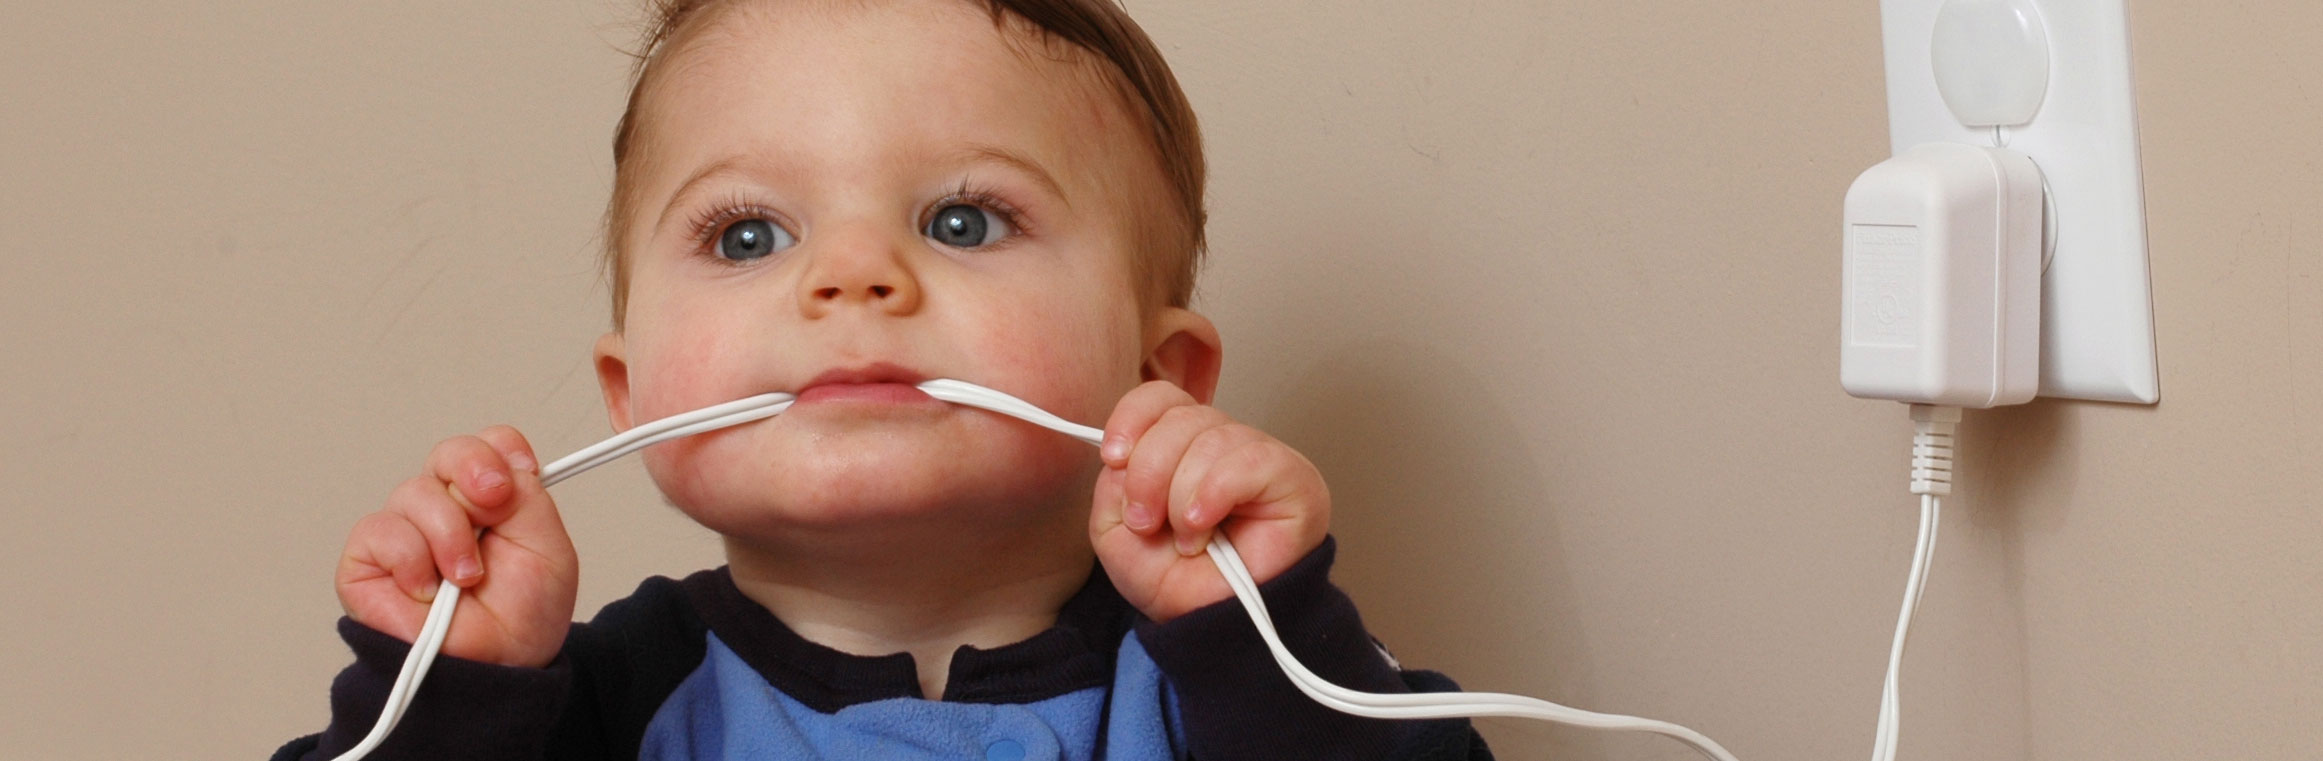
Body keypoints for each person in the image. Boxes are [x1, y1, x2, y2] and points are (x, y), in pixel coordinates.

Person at [275, 1, 1489, 758]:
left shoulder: (1227, 678)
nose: (852, 277)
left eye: (962, 219)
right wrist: (447, 689)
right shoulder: (582, 708)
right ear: (632, 391)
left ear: (1152, 376)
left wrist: (1262, 626)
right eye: (747, 235)